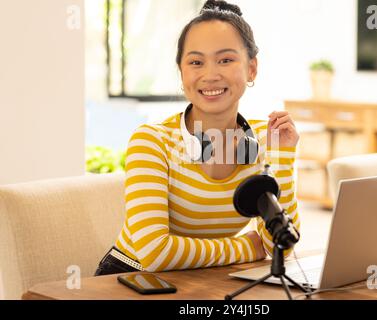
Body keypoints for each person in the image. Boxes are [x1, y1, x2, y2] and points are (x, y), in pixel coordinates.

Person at [95, 0, 300, 276]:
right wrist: (246, 248)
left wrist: (283, 157)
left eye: (226, 60)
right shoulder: (152, 142)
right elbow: (155, 254)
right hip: (133, 277)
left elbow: (281, 245)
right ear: (182, 72)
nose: (210, 75)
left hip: (207, 278)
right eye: (196, 62)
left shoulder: (265, 139)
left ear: (252, 68)